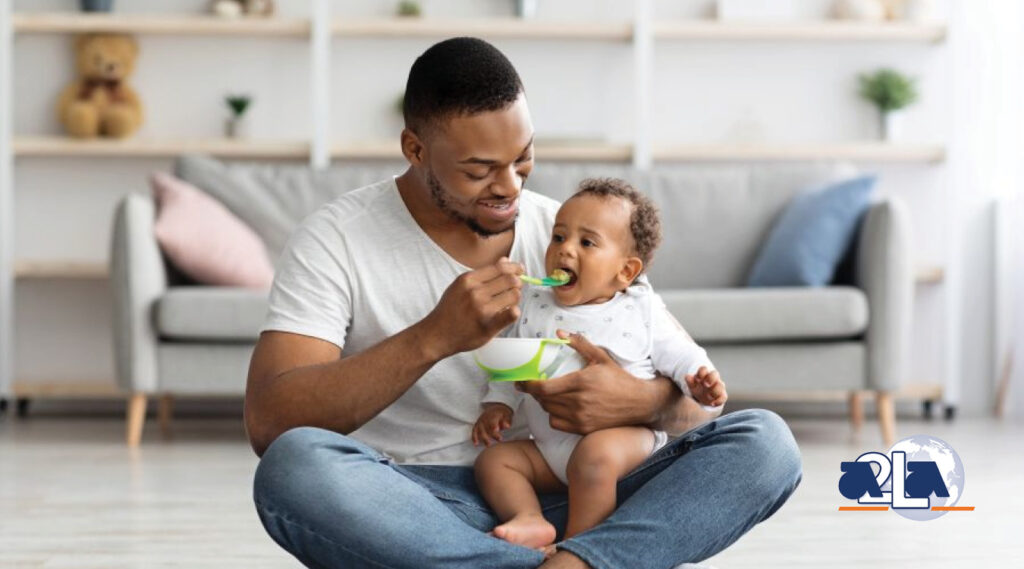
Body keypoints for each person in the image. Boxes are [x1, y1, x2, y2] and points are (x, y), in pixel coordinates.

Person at [246, 36, 802, 569]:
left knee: (765, 443)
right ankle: (591, 560)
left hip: (581, 490)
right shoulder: (335, 240)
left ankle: (568, 560)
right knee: (294, 471)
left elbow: (700, 404)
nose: (509, 186)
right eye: (479, 169)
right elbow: (272, 425)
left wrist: (638, 402)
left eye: (523, 157)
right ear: (415, 149)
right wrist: (434, 336)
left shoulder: (573, 234)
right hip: (413, 503)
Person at [472, 178, 727, 557]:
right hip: (550, 452)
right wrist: (498, 405)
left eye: (586, 243)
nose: (565, 251)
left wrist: (700, 381)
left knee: (595, 457)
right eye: (559, 237)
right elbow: (516, 360)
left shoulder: (639, 309)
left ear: (625, 272)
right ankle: (530, 518)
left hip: (624, 444)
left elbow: (681, 355)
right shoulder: (535, 302)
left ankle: (578, 550)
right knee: (495, 461)